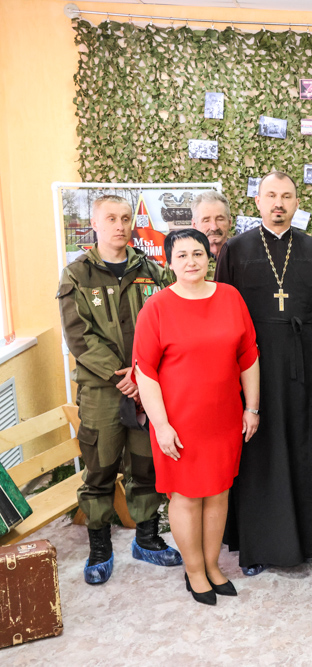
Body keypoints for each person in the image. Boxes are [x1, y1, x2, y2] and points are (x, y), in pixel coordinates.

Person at [215, 170, 312, 575]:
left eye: (286, 196)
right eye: (271, 195)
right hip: (254, 365)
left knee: (306, 448)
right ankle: (259, 546)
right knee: (260, 452)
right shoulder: (236, 249)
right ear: (258, 201)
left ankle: (310, 542)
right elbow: (221, 312)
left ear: (297, 202)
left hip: (305, 365)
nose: (279, 203)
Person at [57, 194, 181, 585]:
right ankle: (100, 548)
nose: (120, 225)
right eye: (111, 218)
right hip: (102, 392)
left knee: (145, 466)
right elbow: (79, 336)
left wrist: (142, 374)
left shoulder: (152, 271)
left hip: (147, 388)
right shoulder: (77, 275)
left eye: (126, 218)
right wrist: (119, 374)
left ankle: (146, 538)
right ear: (95, 223)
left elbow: (170, 322)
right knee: (100, 470)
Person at [133, 229, 260, 605]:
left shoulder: (230, 297)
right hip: (179, 422)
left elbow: (249, 355)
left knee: (219, 494)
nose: (191, 261)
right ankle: (194, 572)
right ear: (170, 263)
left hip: (224, 417)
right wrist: (161, 426)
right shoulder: (157, 307)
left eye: (198, 254)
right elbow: (145, 372)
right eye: (182, 255)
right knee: (187, 497)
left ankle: (212, 565)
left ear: (210, 257)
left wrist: (252, 407)